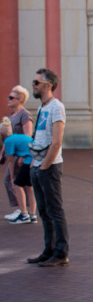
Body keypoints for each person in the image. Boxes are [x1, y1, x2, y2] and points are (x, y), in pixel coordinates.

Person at [26, 69, 71, 267]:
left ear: (48, 85)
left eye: (37, 82)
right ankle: (49, 250)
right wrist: (34, 164)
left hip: (49, 167)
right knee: (43, 211)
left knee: (55, 210)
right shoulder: (42, 107)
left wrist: (44, 166)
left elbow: (56, 141)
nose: (34, 85)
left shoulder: (56, 107)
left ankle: (61, 253)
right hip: (37, 166)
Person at [4, 85, 33, 220]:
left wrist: (24, 156)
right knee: (10, 181)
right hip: (12, 152)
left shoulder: (24, 115)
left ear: (20, 100)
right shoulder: (10, 116)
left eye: (11, 97)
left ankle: (23, 210)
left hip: (21, 154)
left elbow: (28, 136)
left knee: (18, 181)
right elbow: (8, 137)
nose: (8, 99)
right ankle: (21, 208)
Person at [0, 117, 36, 224]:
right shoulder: (17, 137)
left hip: (29, 161)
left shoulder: (8, 141)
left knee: (18, 185)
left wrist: (12, 177)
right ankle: (32, 215)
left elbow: (10, 161)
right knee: (30, 188)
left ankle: (24, 214)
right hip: (35, 160)